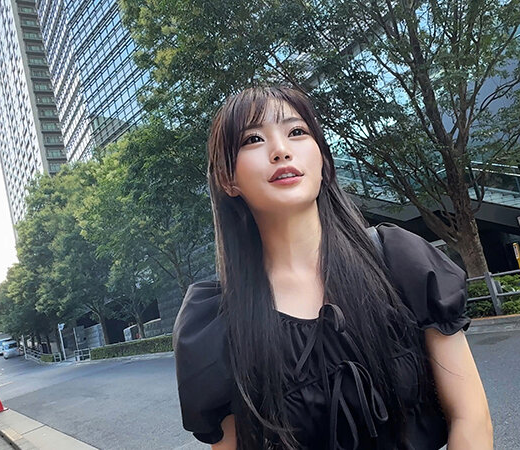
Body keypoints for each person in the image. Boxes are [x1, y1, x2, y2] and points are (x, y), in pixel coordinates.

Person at [173, 86, 493, 449]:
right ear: (227, 179)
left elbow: (470, 416)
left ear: (323, 160)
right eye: (253, 139)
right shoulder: (217, 321)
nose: (280, 150)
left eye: (296, 131)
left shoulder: (399, 260)